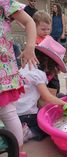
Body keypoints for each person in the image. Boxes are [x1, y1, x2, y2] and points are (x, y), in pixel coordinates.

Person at [14, 36, 67, 143]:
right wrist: (63, 103)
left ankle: (21, 128)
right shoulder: (39, 74)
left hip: (15, 113)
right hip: (26, 114)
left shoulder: (27, 67)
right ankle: (28, 132)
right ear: (49, 63)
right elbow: (47, 97)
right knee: (49, 125)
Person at [0, 1, 38, 156]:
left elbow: (29, 21)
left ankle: (17, 152)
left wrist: (29, 47)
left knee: (7, 111)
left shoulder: (4, 2)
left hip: (2, 70)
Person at [33, 10, 63, 98]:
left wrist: (58, 66)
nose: (46, 31)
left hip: (51, 69)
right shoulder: (33, 40)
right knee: (41, 89)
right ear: (34, 27)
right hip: (40, 69)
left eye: (48, 29)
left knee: (55, 86)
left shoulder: (50, 39)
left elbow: (56, 55)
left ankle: (55, 100)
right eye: (43, 29)